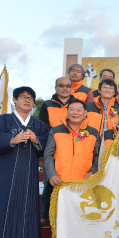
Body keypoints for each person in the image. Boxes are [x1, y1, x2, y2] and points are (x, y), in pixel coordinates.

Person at [0, 86, 49, 238]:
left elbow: (49, 143)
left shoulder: (38, 125)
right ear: (14, 100)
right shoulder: (1, 120)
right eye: (23, 97)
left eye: (31, 98)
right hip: (5, 174)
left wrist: (37, 140)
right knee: (3, 208)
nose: (27, 100)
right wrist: (12, 139)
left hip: (28, 175)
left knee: (26, 209)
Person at [43, 98, 101, 238]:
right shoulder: (56, 130)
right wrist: (51, 175)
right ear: (67, 113)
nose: (75, 113)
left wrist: (92, 172)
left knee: (84, 223)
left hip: (84, 186)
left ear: (85, 113)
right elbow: (47, 156)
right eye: (72, 109)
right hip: (62, 185)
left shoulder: (93, 132)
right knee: (60, 223)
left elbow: (98, 156)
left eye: (79, 110)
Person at [39, 77, 75, 227]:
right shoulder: (47, 105)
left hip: (72, 148)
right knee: (50, 182)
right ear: (56, 88)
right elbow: (42, 127)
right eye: (61, 86)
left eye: (68, 86)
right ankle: (45, 215)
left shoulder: (76, 104)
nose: (65, 88)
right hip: (53, 146)